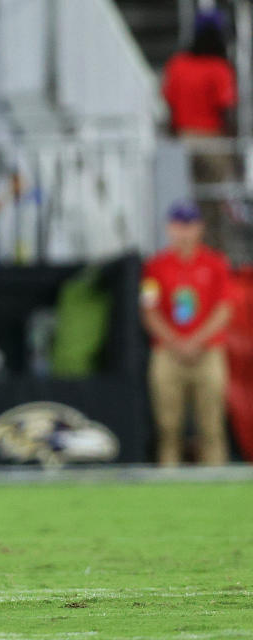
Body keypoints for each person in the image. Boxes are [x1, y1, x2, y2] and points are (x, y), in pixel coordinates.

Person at [141, 202, 233, 466]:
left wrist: (196, 340)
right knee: (168, 428)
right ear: (169, 228)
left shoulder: (215, 263)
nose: (183, 232)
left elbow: (224, 309)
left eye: (189, 225)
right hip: (168, 353)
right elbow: (149, 310)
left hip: (208, 352)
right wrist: (175, 342)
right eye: (178, 225)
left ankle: (217, 482)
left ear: (199, 228)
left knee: (212, 427)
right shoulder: (155, 266)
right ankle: (169, 482)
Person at [162, 9, 237, 255]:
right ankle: (214, 258)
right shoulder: (219, 67)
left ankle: (188, 258)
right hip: (211, 141)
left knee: (182, 202)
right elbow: (227, 111)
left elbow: (169, 106)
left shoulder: (178, 64)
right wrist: (232, 151)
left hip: (181, 140)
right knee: (215, 205)